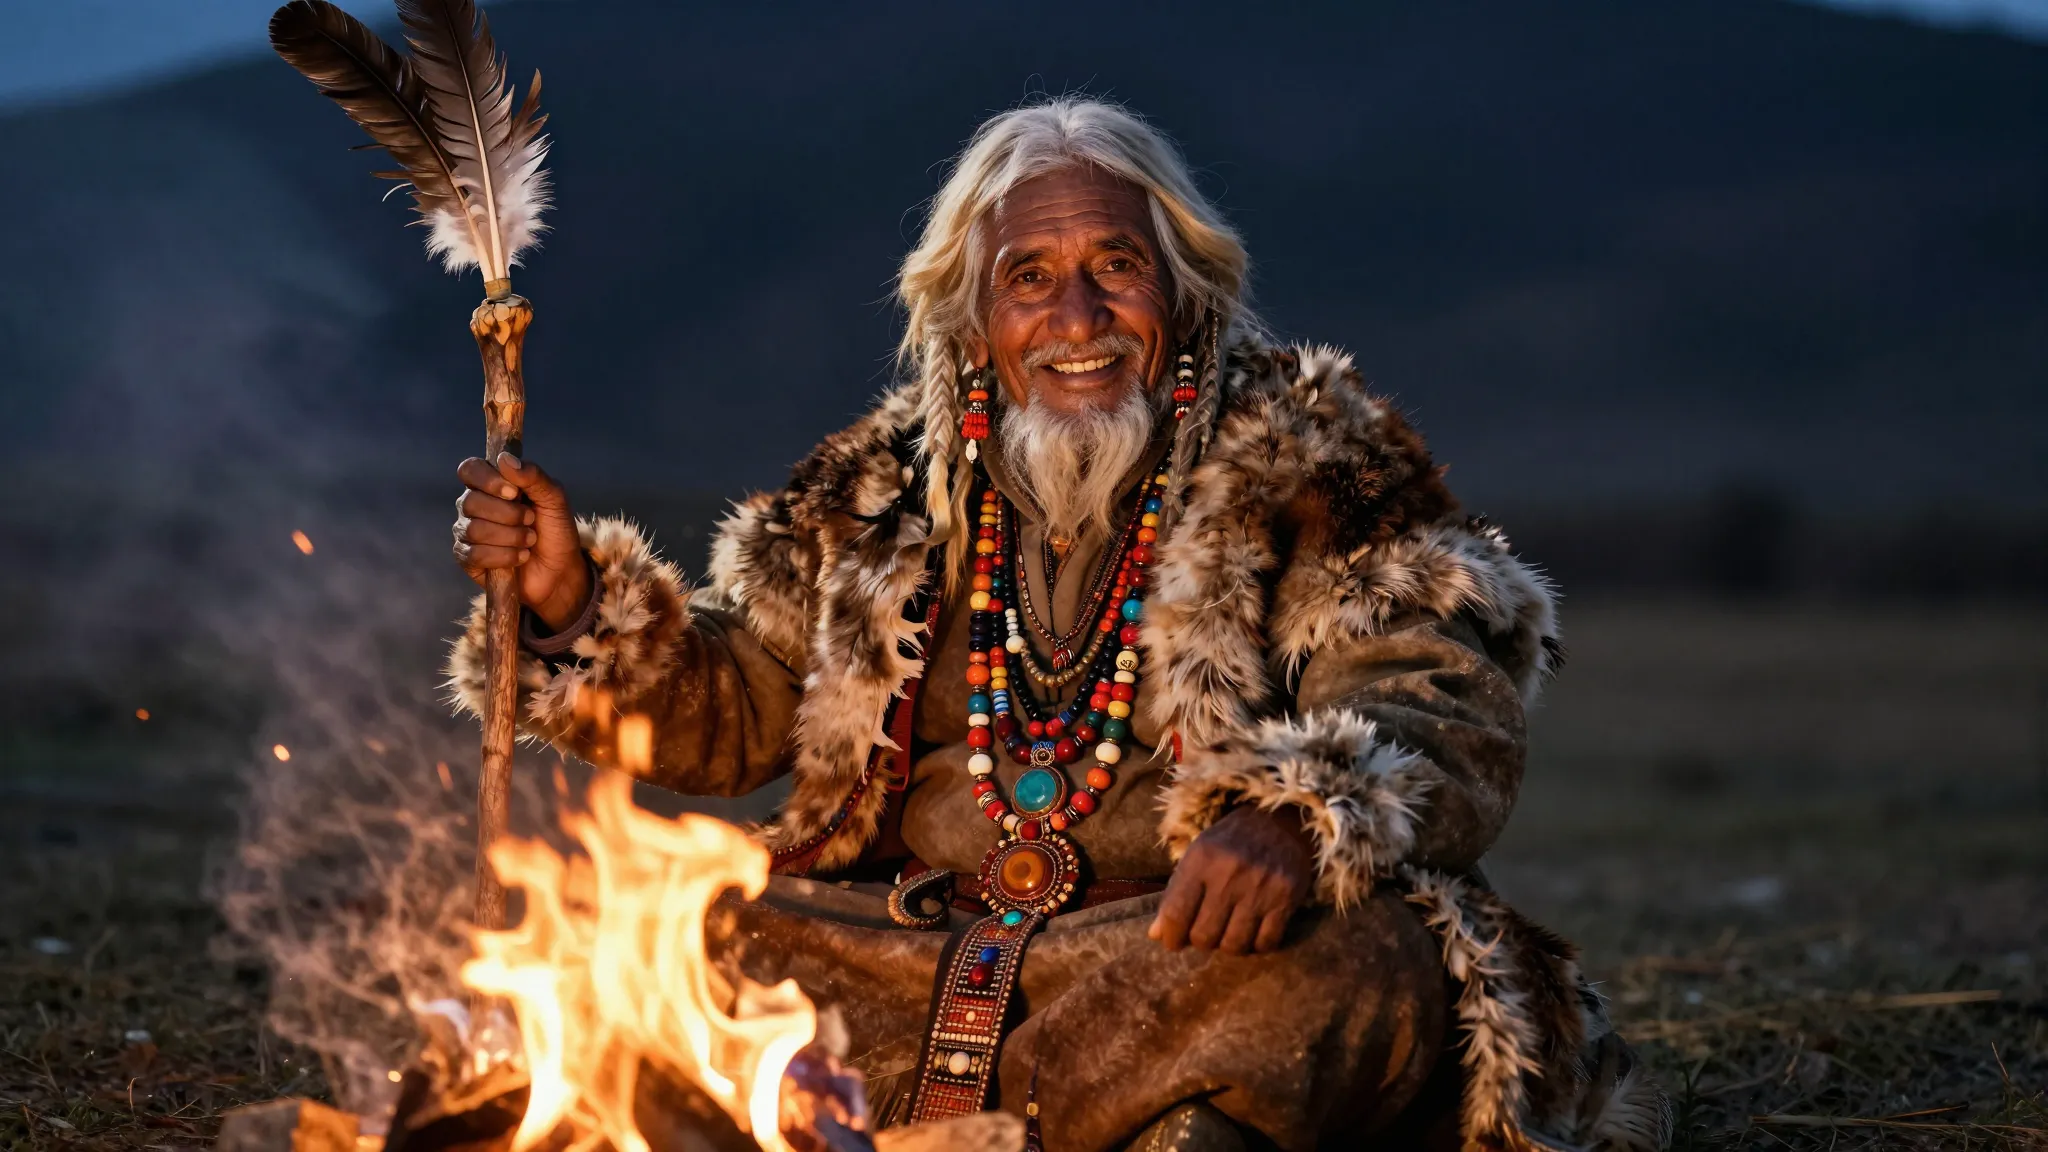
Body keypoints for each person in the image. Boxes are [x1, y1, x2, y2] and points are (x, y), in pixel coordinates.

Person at [446, 98, 1667, 1152]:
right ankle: (1137, 1131)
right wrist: (568, 603)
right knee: (650, 934)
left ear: (1181, 289)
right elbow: (748, 703)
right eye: (1028, 278)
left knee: (1362, 969)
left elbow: (1433, 694)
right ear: (969, 317)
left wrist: (1294, 817)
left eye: (1114, 268)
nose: (1074, 316)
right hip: (903, 952)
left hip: (1183, 954)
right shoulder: (880, 488)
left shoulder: (1314, 457)